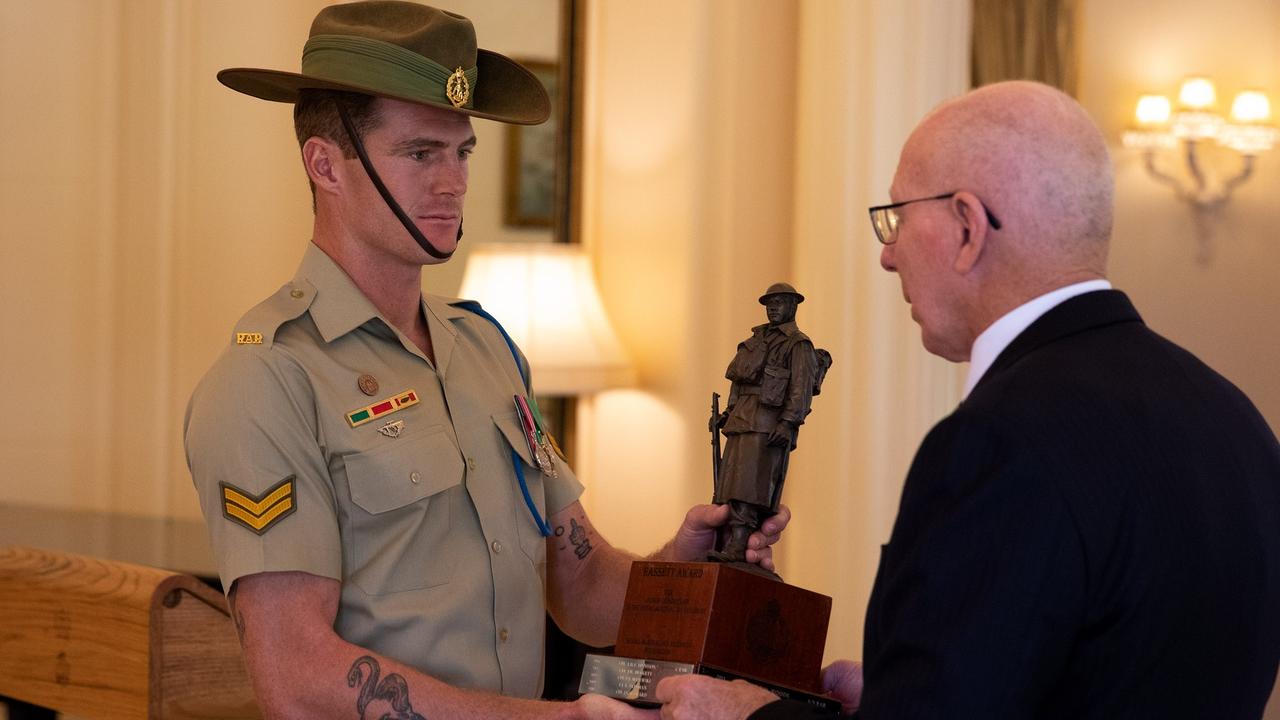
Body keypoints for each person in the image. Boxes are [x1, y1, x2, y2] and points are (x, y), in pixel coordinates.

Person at [183, 3, 787, 718]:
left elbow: (583, 590)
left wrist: (689, 561)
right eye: (419, 153)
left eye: (461, 152)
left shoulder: (484, 350)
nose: (452, 182)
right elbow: (296, 678)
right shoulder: (267, 379)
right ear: (326, 165)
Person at [655, 80, 1280, 719]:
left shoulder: (999, 441)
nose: (888, 256)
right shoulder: (1236, 421)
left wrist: (743, 716)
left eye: (896, 218)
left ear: (967, 226)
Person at [710, 283, 826, 564]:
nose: (772, 307)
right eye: (769, 302)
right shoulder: (756, 340)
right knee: (730, 484)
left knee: (751, 486)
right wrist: (727, 412)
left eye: (779, 302)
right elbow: (738, 381)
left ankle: (737, 546)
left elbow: (800, 390)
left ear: (793, 305)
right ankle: (724, 540)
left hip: (767, 425)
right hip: (741, 420)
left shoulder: (798, 344)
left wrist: (787, 423)